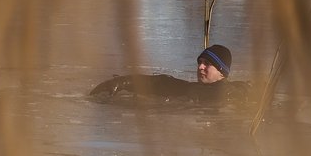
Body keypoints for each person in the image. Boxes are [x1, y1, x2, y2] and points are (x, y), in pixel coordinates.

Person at [89, 44, 249, 103]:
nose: (200, 67)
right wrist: (123, 82)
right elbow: (162, 83)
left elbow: (167, 85)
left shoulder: (233, 92)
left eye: (207, 64)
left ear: (221, 71)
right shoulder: (195, 89)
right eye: (199, 62)